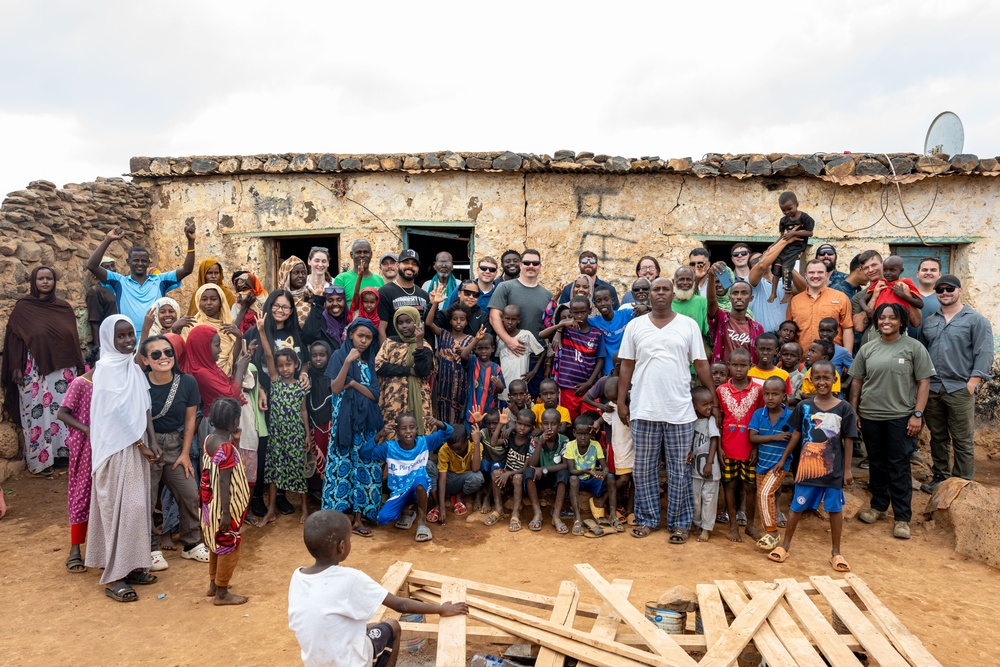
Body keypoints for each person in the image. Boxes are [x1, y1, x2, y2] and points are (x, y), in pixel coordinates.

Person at [287, 510, 469, 667]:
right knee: (393, 626)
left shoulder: (298, 576)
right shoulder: (350, 578)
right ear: (341, 546)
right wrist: (442, 609)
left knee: (370, 626)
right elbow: (400, 606)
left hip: (315, 661)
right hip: (350, 662)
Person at [618, 277, 718, 543]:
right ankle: (647, 519)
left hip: (679, 410)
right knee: (644, 470)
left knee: (679, 470)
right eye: (656, 289)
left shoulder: (687, 326)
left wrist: (714, 398)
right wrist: (621, 401)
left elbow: (701, 363)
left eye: (665, 289)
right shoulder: (635, 326)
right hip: (643, 408)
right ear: (648, 295)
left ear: (673, 293)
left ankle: (680, 523)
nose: (660, 293)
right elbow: (626, 365)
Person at [85, 315, 161, 602]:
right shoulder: (104, 370)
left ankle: (132, 565)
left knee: (138, 508)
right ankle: (114, 576)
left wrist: (151, 440)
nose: (128, 340)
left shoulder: (132, 368)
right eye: (122, 336)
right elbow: (116, 412)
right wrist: (142, 443)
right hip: (117, 450)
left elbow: (145, 407)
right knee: (123, 508)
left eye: (131, 334)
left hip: (137, 447)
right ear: (109, 340)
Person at [849, 303, 934, 540]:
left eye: (892, 318)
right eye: (882, 317)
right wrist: (855, 412)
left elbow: (924, 382)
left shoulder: (913, 347)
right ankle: (877, 507)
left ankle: (902, 518)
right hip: (870, 416)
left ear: (901, 321)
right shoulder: (868, 348)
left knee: (898, 466)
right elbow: (856, 381)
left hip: (900, 418)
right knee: (877, 463)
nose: (886, 321)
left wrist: (917, 414)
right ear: (876, 321)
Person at [768, 360, 857, 572]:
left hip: (833, 469)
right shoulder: (804, 406)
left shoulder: (844, 408)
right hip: (807, 468)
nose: (822, 382)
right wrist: (783, 458)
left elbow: (848, 439)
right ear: (810, 380)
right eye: (817, 378)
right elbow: (797, 433)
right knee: (797, 506)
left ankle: (836, 552)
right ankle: (785, 545)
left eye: (826, 378)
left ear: (835, 380)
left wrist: (847, 469)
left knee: (834, 509)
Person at [2, 266, 85, 473]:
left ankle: (64, 455)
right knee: (37, 413)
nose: (46, 282)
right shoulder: (23, 308)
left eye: (49, 278)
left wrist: (78, 367)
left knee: (63, 410)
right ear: (34, 281)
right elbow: (13, 338)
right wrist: (15, 366)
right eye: (41, 278)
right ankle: (41, 460)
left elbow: (73, 340)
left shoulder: (64, 308)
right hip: (35, 371)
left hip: (63, 372)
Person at [920, 274, 995, 492]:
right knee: (938, 436)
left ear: (959, 290)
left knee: (962, 439)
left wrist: (973, 382)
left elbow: (985, 352)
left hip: (960, 388)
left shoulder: (976, 320)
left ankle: (962, 483)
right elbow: (924, 353)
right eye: (940, 290)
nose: (945, 293)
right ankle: (941, 478)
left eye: (949, 289)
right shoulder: (930, 321)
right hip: (933, 387)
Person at [141, 334, 207, 571]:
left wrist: (185, 453)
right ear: (146, 360)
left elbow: (191, 419)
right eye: (156, 354)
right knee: (145, 501)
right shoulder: (139, 382)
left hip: (176, 445)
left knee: (189, 492)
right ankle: (151, 548)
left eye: (168, 352)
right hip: (147, 448)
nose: (164, 357)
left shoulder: (187, 382)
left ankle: (191, 543)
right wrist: (143, 447)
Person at [322, 318, 384, 537]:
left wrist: (355, 384)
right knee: (341, 468)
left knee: (365, 467)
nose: (364, 341)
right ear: (350, 335)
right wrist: (348, 362)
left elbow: (375, 395)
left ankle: (360, 517)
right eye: (360, 336)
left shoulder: (369, 360)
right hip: (344, 425)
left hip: (366, 425)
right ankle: (339, 518)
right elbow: (336, 388)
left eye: (368, 338)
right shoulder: (339, 356)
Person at [86, 223, 196, 335]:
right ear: (128, 262)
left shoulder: (160, 280)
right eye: (136, 260)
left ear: (148, 263)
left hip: (156, 337)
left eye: (143, 261)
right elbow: (91, 266)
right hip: (129, 338)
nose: (140, 264)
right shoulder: (119, 282)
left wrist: (191, 242)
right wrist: (108, 239)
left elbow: (187, 270)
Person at [361, 414, 452, 542]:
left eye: (412, 427)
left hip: (419, 488)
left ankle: (422, 523)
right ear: (397, 431)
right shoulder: (389, 447)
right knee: (383, 518)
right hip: (400, 491)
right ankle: (407, 513)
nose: (408, 431)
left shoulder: (424, 442)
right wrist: (380, 434)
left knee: (420, 481)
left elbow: (449, 431)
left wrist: (437, 422)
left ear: (416, 429)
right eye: (403, 428)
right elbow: (365, 453)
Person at [257, 318, 312, 527]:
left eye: (288, 365)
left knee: (300, 471)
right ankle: (270, 510)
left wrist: (307, 434)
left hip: (296, 434)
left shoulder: (301, 387)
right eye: (281, 366)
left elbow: (304, 411)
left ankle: (305, 508)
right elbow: (269, 355)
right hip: (277, 436)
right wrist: (262, 331)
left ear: (296, 364)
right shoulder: (275, 382)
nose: (284, 369)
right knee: (272, 473)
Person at [200, 396, 251, 605]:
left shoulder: (210, 440)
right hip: (225, 507)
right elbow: (224, 480)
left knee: (215, 543)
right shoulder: (227, 448)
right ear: (234, 421)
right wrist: (226, 512)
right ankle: (222, 593)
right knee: (229, 545)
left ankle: (214, 584)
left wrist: (235, 441)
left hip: (209, 504)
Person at [55, 349, 97, 573]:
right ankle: (75, 550)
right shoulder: (81, 384)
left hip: (107, 445)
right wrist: (86, 429)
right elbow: (62, 413)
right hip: (85, 447)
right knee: (81, 493)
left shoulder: (114, 383)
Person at [716, 348, 764, 544]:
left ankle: (750, 524)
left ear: (750, 367)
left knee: (750, 487)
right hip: (727, 446)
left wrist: (755, 447)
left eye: (743, 365)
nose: (738, 369)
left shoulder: (758, 391)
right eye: (735, 365)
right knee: (729, 485)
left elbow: (761, 420)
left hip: (749, 447)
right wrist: (719, 447)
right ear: (729, 366)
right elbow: (718, 422)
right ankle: (733, 524)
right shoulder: (721, 390)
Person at [489, 249, 552, 395]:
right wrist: (509, 340)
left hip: (535, 360)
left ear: (540, 266)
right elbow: (494, 317)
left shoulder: (548, 295)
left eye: (535, 263)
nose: (531, 266)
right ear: (521, 265)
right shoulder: (505, 287)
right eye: (527, 262)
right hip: (509, 356)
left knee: (533, 402)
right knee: (507, 399)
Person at [376, 307, 436, 440]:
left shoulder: (425, 346)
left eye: (408, 321)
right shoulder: (390, 342)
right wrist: (408, 370)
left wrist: (419, 344)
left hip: (419, 398)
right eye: (400, 322)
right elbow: (379, 366)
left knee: (418, 432)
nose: (404, 326)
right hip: (392, 399)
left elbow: (423, 371)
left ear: (416, 322)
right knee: (392, 433)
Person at [541, 295, 604, 420]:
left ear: (589, 311)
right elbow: (542, 334)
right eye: (576, 313)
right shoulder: (566, 330)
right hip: (567, 386)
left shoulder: (597, 334)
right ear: (571, 313)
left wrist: (589, 382)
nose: (579, 316)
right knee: (569, 419)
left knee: (590, 419)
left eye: (583, 312)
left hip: (588, 386)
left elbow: (600, 360)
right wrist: (562, 325)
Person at [749, 377, 793, 552]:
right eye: (766, 393)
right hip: (762, 464)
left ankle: (773, 533)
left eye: (775, 394)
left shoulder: (790, 416)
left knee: (764, 493)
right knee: (764, 497)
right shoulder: (759, 414)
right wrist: (774, 437)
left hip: (779, 465)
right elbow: (752, 437)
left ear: (783, 396)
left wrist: (783, 461)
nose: (770, 397)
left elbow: (795, 439)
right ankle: (770, 530)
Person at [425, 300, 478, 424]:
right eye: (455, 319)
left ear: (467, 321)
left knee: (460, 416)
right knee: (443, 413)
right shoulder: (443, 334)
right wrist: (435, 304)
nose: (458, 322)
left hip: (462, 384)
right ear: (450, 320)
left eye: (462, 319)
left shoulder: (471, 339)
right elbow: (428, 322)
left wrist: (465, 350)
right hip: (444, 385)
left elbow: (472, 359)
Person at [566, 415, 620, 535]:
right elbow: (571, 470)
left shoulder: (595, 445)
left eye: (586, 434)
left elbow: (605, 466)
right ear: (574, 433)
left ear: (591, 434)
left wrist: (603, 473)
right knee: (573, 479)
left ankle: (613, 515)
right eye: (580, 434)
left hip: (592, 479)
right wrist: (585, 471)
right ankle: (577, 520)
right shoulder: (570, 445)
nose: (583, 437)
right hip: (579, 479)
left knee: (610, 477)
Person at [786, 258, 854, 352]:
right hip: (802, 360)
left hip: (831, 359)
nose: (816, 276)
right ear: (805, 275)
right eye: (811, 272)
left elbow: (847, 329)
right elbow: (789, 330)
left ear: (826, 275)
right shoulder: (795, 301)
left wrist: (847, 357)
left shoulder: (841, 298)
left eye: (820, 272)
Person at [486, 408, 535, 531]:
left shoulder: (531, 443)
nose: (522, 428)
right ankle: (498, 509)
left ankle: (515, 514)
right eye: (519, 424)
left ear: (532, 428)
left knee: (517, 478)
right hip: (508, 473)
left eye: (527, 426)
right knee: (496, 473)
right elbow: (493, 442)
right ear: (515, 423)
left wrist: (509, 474)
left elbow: (525, 469)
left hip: (521, 477)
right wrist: (501, 425)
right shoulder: (511, 437)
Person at [523, 408, 571, 534]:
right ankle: (537, 513)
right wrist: (540, 443)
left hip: (555, 477)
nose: (549, 427)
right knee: (528, 472)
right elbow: (532, 464)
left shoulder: (564, 440)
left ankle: (556, 515)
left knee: (564, 473)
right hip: (540, 478)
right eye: (545, 424)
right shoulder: (535, 440)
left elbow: (565, 465)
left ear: (559, 425)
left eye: (553, 424)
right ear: (541, 425)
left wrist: (543, 469)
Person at [429, 423, 483, 526]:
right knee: (429, 466)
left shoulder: (476, 446)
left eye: (459, 449)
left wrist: (476, 443)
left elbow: (476, 468)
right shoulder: (445, 449)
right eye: (453, 449)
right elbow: (442, 477)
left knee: (477, 477)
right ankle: (437, 504)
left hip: (463, 480)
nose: (456, 451)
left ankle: (459, 496)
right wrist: (442, 508)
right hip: (448, 480)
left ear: (467, 439)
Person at [688, 386, 722, 542]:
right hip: (695, 468)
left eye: (710, 403)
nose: (709, 407)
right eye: (705, 404)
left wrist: (709, 462)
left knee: (709, 498)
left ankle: (707, 529)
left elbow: (714, 440)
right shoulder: (691, 421)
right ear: (694, 406)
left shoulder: (711, 421)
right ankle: (698, 524)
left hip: (711, 468)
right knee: (695, 498)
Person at [184, 283, 241, 375]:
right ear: (198, 302)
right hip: (200, 376)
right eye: (204, 299)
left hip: (226, 376)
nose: (209, 303)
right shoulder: (191, 325)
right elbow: (188, 356)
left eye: (213, 299)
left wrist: (239, 337)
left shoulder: (228, 325)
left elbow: (233, 358)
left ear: (220, 302)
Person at [770, 191, 814, 304]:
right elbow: (782, 236)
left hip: (797, 246)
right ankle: (773, 293)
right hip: (786, 246)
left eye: (790, 209)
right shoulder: (783, 220)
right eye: (784, 210)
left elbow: (810, 233)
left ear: (797, 204)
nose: (787, 212)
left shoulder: (805, 218)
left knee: (786, 268)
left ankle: (788, 293)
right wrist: (772, 246)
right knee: (777, 267)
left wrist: (793, 234)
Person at [377, 249, 430, 343]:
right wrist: (385, 354)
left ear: (418, 269)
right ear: (397, 265)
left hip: (419, 351)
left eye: (414, 264)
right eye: (406, 262)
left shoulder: (424, 295)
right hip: (395, 352)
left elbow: (427, 328)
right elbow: (381, 329)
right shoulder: (384, 292)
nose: (410, 266)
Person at [709, 278, 763, 364]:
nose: (739, 297)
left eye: (744, 293)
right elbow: (711, 301)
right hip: (722, 375)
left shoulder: (757, 328)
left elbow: (760, 356)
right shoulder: (721, 319)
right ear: (730, 298)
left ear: (751, 298)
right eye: (735, 293)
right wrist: (711, 276)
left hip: (747, 376)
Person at [496, 304, 545, 400]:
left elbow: (542, 352)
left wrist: (534, 371)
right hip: (504, 382)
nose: (510, 322)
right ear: (502, 318)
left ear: (519, 320)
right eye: (507, 318)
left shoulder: (526, 335)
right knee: (505, 408)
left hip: (521, 382)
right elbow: (498, 358)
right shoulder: (500, 338)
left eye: (513, 319)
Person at [746, 238, 793, 334]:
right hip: (762, 339)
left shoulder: (784, 280)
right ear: (751, 269)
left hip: (784, 339)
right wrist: (785, 241)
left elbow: (802, 289)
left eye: (763, 257)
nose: (761, 260)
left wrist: (787, 264)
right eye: (756, 260)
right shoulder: (751, 283)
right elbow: (762, 265)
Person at [589, 285, 635, 375]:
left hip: (627, 370)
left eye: (606, 299)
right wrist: (559, 332)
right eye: (599, 301)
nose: (603, 303)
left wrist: (645, 307)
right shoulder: (594, 322)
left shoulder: (625, 314)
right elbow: (574, 321)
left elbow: (648, 312)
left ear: (613, 300)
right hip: (608, 372)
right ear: (595, 304)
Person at [465, 334, 504, 423]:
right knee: (470, 434)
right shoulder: (473, 361)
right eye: (480, 348)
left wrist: (500, 386)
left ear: (493, 349)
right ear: (475, 349)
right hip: (471, 410)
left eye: (486, 348)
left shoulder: (496, 368)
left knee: (485, 434)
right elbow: (463, 355)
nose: (483, 351)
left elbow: (500, 390)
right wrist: (475, 340)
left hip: (488, 411)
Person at [335, 240, 385, 306]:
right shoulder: (341, 279)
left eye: (366, 252)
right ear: (351, 255)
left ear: (371, 255)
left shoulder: (379, 280)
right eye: (358, 252)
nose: (362, 255)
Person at [671, 267, 710, 346]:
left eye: (689, 279)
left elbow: (708, 330)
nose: (685, 283)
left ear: (694, 282)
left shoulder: (702, 302)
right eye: (681, 279)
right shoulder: (667, 303)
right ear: (674, 282)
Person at [303, 284, 347, 350]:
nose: (335, 304)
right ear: (325, 303)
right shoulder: (319, 320)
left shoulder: (350, 321)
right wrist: (318, 302)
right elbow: (309, 336)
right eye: (330, 301)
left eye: (339, 300)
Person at [748, 333, 792, 397]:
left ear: (776, 351)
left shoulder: (784, 375)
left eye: (769, 350)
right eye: (762, 349)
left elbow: (785, 401)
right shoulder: (748, 373)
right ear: (755, 350)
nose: (765, 353)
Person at [86, 255, 118, 344]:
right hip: (109, 337)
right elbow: (94, 321)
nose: (111, 269)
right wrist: (98, 346)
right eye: (106, 267)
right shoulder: (96, 291)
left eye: (112, 265)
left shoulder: (120, 287)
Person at [908, 256, 942, 340]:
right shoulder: (908, 295)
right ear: (917, 274)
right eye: (924, 270)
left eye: (933, 270)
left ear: (939, 274)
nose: (928, 273)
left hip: (935, 349)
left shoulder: (945, 298)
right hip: (908, 349)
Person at [690, 248, 732, 313]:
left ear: (708, 264)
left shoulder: (716, 282)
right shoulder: (685, 284)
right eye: (692, 264)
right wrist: (697, 279)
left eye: (700, 263)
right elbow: (687, 303)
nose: (696, 266)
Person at [818, 317, 854, 386]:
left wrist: (846, 383)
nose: (825, 334)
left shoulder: (842, 351)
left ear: (836, 333)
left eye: (829, 331)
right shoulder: (814, 349)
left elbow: (855, 368)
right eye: (822, 331)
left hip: (835, 393)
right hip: (815, 392)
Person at [277, 255, 311, 328]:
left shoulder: (310, 296)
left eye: (303, 272)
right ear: (286, 276)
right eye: (296, 273)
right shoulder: (277, 300)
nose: (301, 276)